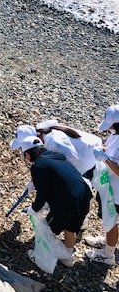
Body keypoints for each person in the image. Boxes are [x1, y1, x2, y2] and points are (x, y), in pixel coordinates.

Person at [20, 136, 92, 268]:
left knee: (48, 227)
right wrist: (33, 182)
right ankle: (67, 256)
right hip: (84, 194)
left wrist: (34, 209)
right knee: (71, 228)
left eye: (25, 156)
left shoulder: (38, 166)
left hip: (67, 200)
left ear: (28, 153)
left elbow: (43, 195)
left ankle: (42, 256)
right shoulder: (55, 156)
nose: (26, 159)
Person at [84, 104, 119, 266]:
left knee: (112, 221)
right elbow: (111, 150)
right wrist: (103, 149)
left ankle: (108, 254)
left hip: (117, 192)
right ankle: (107, 242)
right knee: (109, 219)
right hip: (109, 185)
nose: (109, 128)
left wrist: (104, 158)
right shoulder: (116, 135)